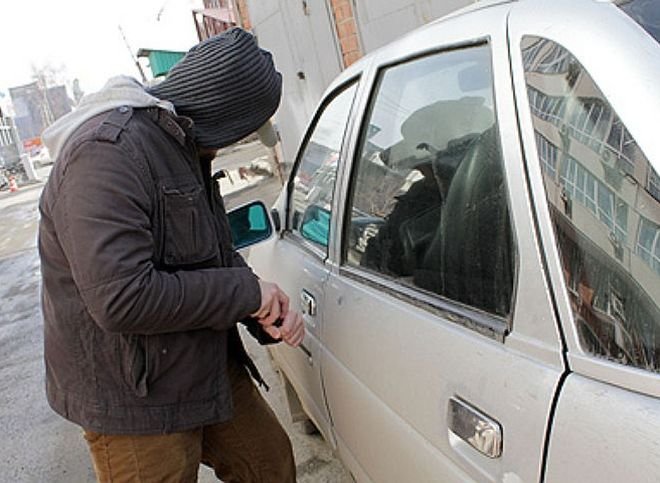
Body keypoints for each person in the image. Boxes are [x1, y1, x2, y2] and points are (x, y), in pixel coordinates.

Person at [39, 28, 304, 482]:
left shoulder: (181, 146)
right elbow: (121, 297)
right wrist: (245, 293)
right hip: (134, 395)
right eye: (240, 132)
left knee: (268, 465)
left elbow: (207, 251)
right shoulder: (107, 153)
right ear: (222, 116)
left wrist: (259, 309)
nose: (233, 145)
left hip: (199, 361)